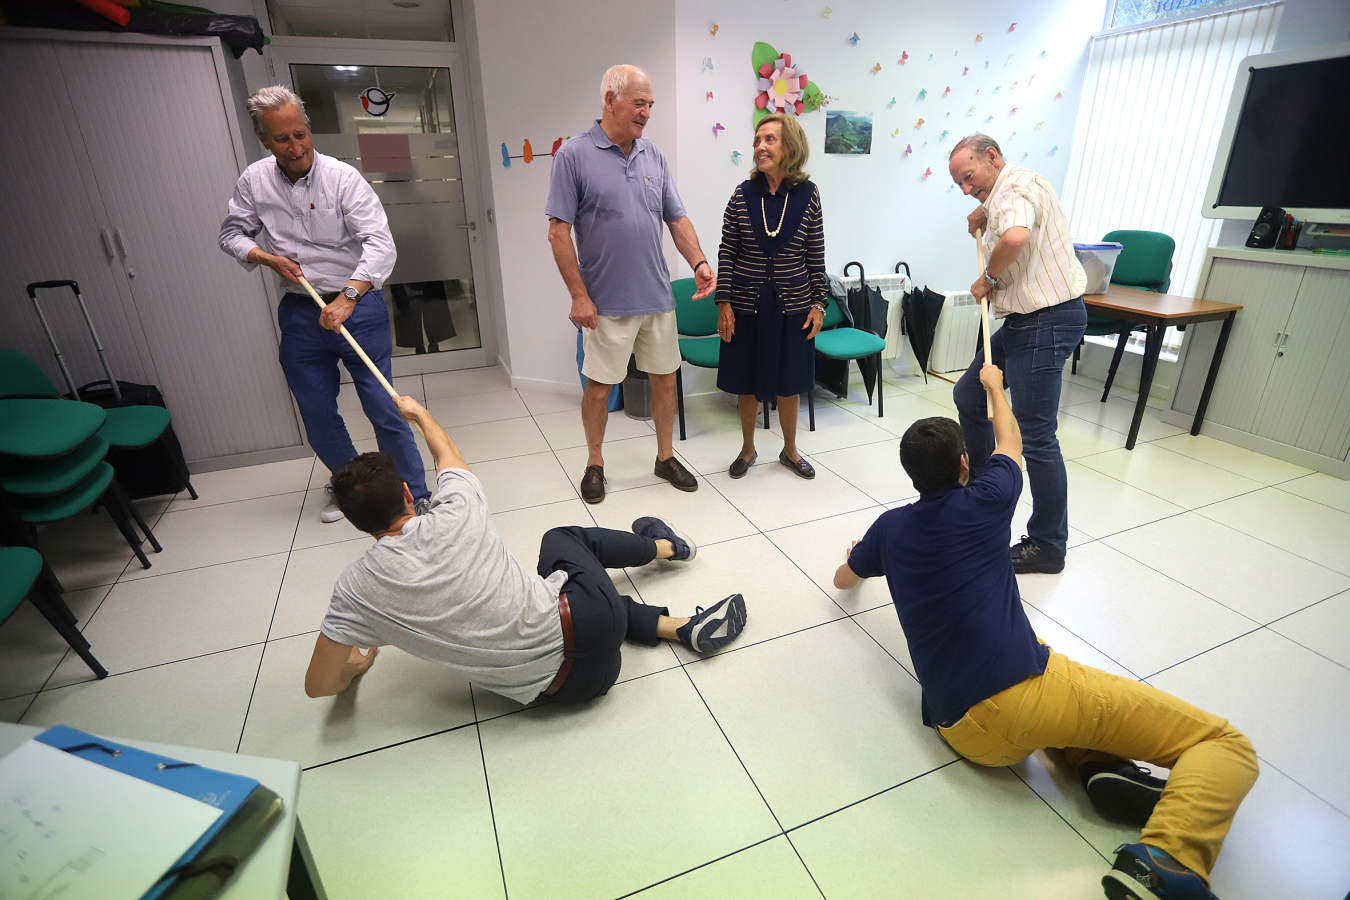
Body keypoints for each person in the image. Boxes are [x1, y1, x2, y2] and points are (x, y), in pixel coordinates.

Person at [833, 365, 1257, 900]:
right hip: (1023, 696)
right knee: (1224, 744)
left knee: (1057, 682)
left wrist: (854, 560)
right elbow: (1011, 439)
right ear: (966, 463)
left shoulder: (889, 529)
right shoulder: (989, 497)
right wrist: (994, 386)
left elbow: (845, 578)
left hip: (958, 728)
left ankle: (1096, 765)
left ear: (912, 476)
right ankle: (1168, 860)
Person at [304, 395, 748, 705]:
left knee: (553, 593)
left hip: (574, 688)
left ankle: (680, 626)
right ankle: (666, 545)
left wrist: (355, 667)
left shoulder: (354, 590)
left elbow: (319, 686)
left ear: (356, 523)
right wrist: (420, 416)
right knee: (561, 542)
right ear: (407, 492)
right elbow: (449, 455)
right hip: (594, 622)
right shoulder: (456, 510)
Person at [219, 85, 429, 524]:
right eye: (282, 139)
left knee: (383, 404)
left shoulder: (342, 178)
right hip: (300, 312)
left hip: (357, 303)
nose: (295, 147)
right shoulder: (254, 181)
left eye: (300, 135)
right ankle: (350, 488)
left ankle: (416, 492)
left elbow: (379, 243)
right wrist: (265, 257)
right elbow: (231, 235)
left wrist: (349, 297)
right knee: (316, 411)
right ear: (264, 140)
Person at [546, 64, 717, 504]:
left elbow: (676, 219)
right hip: (605, 303)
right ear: (610, 100)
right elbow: (558, 232)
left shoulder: (653, 156)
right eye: (639, 103)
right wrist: (579, 295)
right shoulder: (573, 155)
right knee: (600, 388)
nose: (646, 113)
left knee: (664, 380)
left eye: (650, 105)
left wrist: (697, 260)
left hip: (657, 297)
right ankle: (595, 462)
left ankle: (665, 457)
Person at [948, 133, 1087, 574]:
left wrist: (987, 276)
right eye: (960, 185)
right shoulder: (1020, 183)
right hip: (1027, 320)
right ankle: (985, 490)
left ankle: (1048, 545)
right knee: (970, 396)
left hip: (1045, 321)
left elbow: (1015, 234)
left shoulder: (1014, 190)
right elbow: (1003, 210)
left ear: (992, 157)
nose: (967, 189)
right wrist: (981, 210)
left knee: (1038, 437)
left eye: (969, 177)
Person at [714, 113, 827, 480]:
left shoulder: (809, 195)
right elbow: (727, 252)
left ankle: (790, 450)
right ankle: (748, 449)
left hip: (793, 305)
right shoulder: (743, 194)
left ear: (789, 147)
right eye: (758, 140)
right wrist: (724, 303)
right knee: (746, 382)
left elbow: (816, 255)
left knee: (790, 381)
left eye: (770, 140)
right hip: (746, 307)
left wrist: (819, 303)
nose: (760, 147)